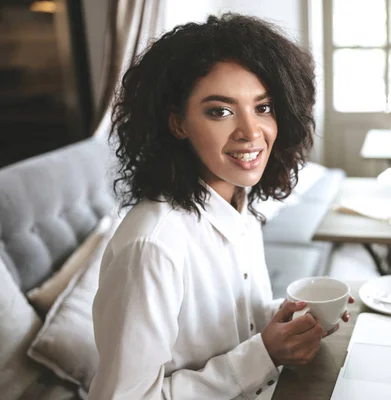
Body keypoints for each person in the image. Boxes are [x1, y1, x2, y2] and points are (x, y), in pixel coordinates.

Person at [88, 13, 352, 400]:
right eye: (220, 111)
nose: (251, 132)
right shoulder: (152, 247)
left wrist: (298, 320)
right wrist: (263, 354)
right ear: (178, 123)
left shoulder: (237, 205)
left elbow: (238, 325)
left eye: (263, 107)